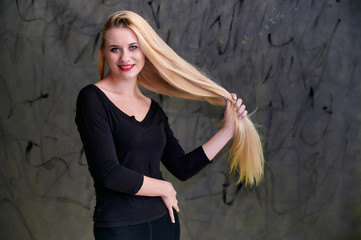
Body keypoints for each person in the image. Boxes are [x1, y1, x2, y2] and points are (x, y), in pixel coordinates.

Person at [75, 10, 264, 240]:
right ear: (105, 53)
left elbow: (182, 167)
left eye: (133, 47)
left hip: (165, 223)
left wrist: (228, 131)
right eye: (116, 49)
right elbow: (110, 174)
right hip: (119, 228)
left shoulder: (154, 110)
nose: (125, 58)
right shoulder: (92, 99)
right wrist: (164, 188)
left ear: (145, 51)